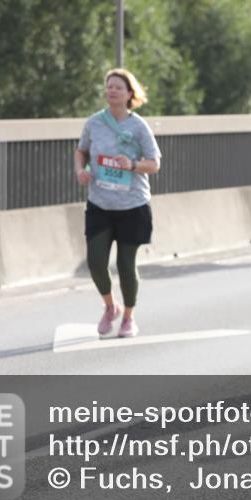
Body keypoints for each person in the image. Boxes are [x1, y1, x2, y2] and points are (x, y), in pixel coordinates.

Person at [74, 69, 161, 339]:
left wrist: (133, 164)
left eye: (118, 87)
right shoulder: (94, 123)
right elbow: (81, 151)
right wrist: (80, 171)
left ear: (129, 94)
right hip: (100, 203)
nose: (112, 91)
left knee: (126, 265)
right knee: (96, 261)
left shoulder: (138, 126)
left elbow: (155, 163)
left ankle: (128, 318)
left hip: (132, 205)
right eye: (109, 86)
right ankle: (110, 306)